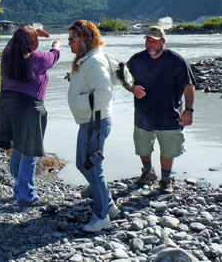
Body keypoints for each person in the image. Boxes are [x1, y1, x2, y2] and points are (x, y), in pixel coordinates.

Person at [0, 27, 62, 207]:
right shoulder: (37, 58)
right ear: (32, 44)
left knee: (17, 149)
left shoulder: (7, 56)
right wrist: (56, 45)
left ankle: (19, 189)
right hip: (29, 108)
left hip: (6, 106)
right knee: (29, 153)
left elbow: (10, 45)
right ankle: (26, 196)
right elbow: (54, 57)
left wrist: (27, 32)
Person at [66, 20, 120, 232]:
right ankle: (107, 204)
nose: (69, 43)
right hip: (89, 121)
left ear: (85, 39)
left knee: (93, 168)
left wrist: (77, 102)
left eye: (72, 39)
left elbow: (104, 93)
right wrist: (74, 77)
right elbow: (91, 82)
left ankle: (101, 216)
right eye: (69, 39)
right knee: (83, 164)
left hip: (94, 122)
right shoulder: (88, 59)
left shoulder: (94, 60)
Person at [126, 26, 195, 193]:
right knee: (143, 148)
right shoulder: (136, 60)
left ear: (163, 41)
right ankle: (148, 172)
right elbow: (124, 77)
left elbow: (188, 86)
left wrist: (189, 110)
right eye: (148, 40)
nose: (150, 44)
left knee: (168, 150)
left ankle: (165, 180)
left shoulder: (177, 61)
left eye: (154, 41)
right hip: (143, 115)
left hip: (170, 115)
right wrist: (133, 88)